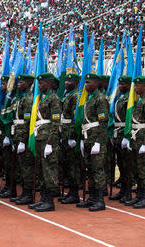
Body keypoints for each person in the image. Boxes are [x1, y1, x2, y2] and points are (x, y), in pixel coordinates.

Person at [28, 73, 61, 212]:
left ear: (48, 84)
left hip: (48, 139)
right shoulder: (41, 99)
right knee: (41, 170)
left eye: (42, 83)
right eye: (39, 83)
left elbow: (55, 122)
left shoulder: (54, 99)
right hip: (40, 137)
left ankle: (49, 202)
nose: (39, 86)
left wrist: (50, 143)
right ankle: (43, 198)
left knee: (49, 170)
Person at [76, 73, 108, 212]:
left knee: (97, 169)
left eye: (88, 82)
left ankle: (100, 200)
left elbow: (103, 122)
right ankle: (92, 197)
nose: (86, 85)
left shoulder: (100, 99)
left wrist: (98, 142)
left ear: (96, 83)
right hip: (88, 137)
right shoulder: (89, 98)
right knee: (90, 169)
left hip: (96, 138)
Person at [124, 76, 145, 209]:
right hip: (137, 139)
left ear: (144, 86)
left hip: (144, 141)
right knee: (137, 169)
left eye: (138, 86)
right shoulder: (140, 101)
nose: (135, 88)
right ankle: (139, 196)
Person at [11, 74, 35, 205]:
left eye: (22, 82)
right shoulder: (22, 98)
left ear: (29, 84)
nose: (18, 84)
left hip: (23, 137)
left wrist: (23, 140)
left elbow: (27, 122)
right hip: (18, 135)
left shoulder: (29, 99)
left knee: (27, 167)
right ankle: (25, 193)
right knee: (22, 167)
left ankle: (28, 194)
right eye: (18, 82)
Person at [59, 73, 81, 204]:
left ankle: (74, 193)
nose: (66, 82)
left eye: (70, 81)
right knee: (67, 164)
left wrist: (72, 136)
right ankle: (71, 193)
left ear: (77, 83)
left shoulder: (76, 96)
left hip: (70, 135)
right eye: (66, 80)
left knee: (73, 166)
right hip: (64, 133)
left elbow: (75, 118)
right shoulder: (67, 94)